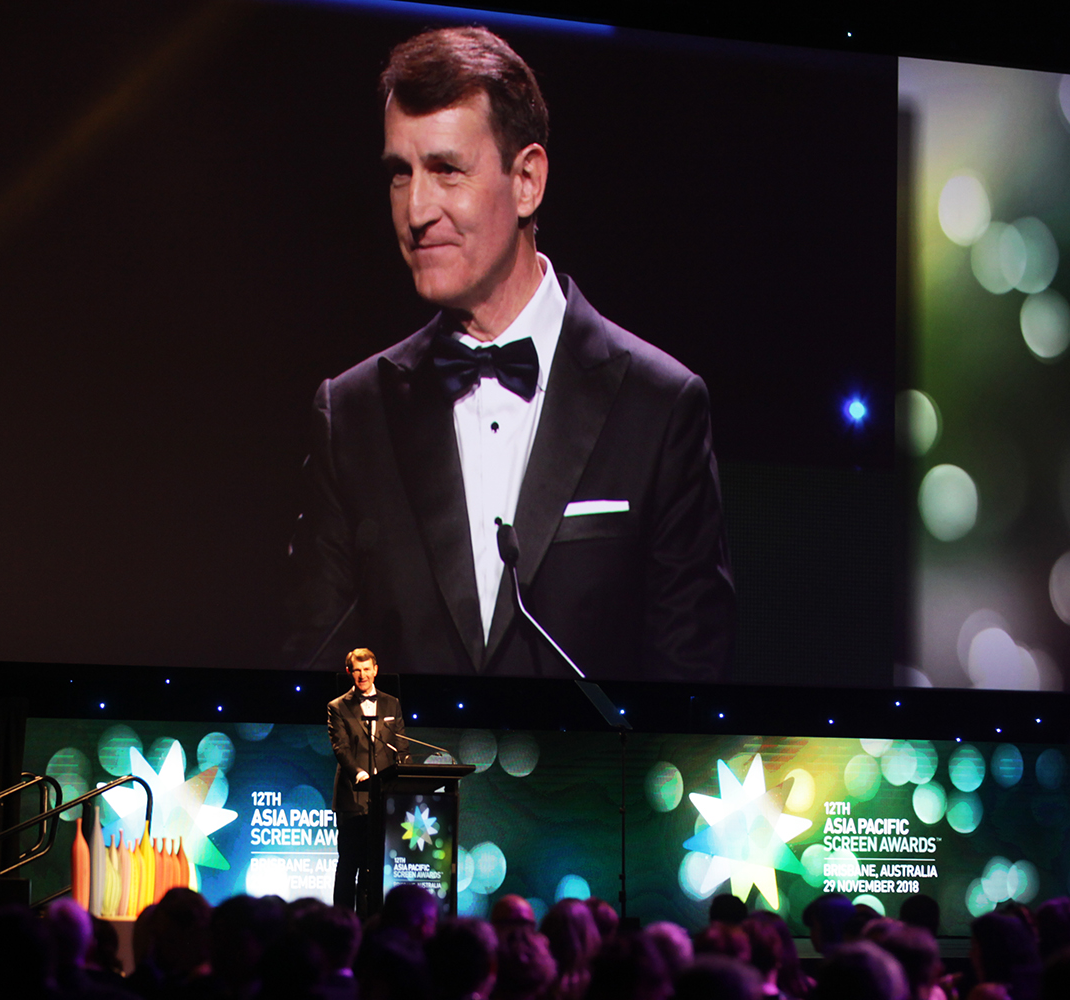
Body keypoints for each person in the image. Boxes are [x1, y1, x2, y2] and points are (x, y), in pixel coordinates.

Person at [289, 25, 736, 682]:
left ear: (527, 181)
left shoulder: (659, 406)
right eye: (399, 174)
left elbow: (692, 689)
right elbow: (310, 681)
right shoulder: (352, 415)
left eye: (445, 171)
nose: (416, 210)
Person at [328, 648, 409, 912]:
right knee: (349, 862)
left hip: (384, 797)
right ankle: (340, 920)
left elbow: (401, 746)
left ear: (375, 669)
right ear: (350, 672)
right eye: (357, 670)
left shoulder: (391, 703)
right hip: (353, 796)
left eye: (367, 669)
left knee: (374, 864)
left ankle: (371, 920)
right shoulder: (337, 706)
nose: (362, 675)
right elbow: (341, 748)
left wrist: (406, 774)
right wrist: (359, 773)